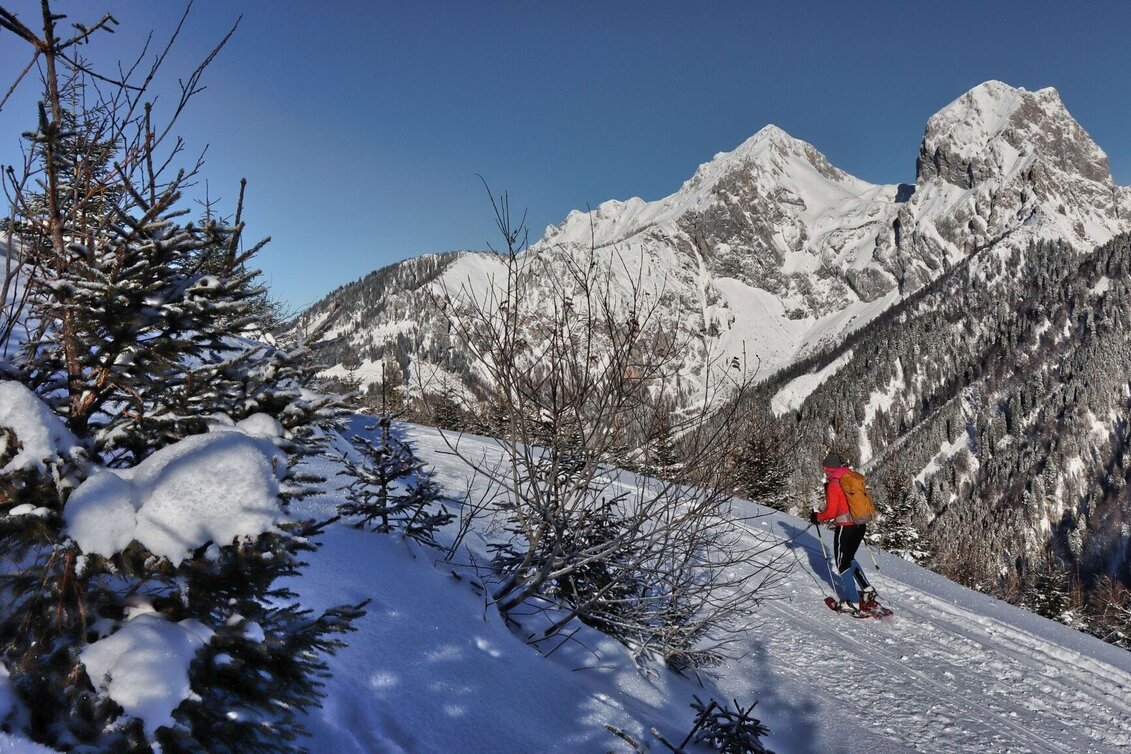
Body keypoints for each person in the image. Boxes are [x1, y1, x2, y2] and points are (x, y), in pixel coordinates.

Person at [809, 450, 877, 610]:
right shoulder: (850, 477)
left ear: (829, 469)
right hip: (860, 525)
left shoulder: (834, 484)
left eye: (825, 469)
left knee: (842, 563)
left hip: (845, 528)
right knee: (849, 557)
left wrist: (817, 517)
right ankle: (867, 589)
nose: (824, 472)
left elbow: (831, 512)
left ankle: (853, 602)